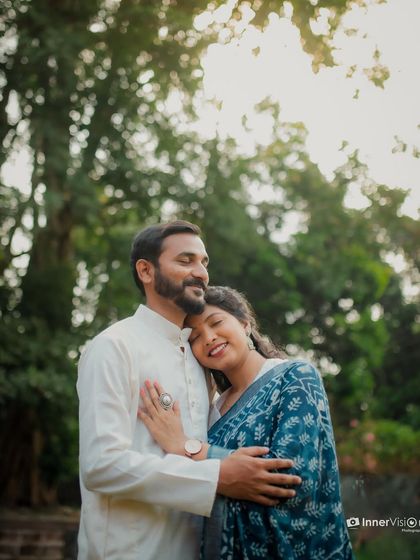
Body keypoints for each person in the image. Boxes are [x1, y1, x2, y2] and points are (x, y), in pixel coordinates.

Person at [76, 221, 302, 560]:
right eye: (185, 261)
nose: (200, 273)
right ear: (146, 271)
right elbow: (101, 466)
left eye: (204, 262)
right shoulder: (114, 347)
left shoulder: (200, 359)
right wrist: (217, 475)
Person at [139, 285, 355, 560]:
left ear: (244, 323)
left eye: (216, 323)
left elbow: (290, 481)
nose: (209, 337)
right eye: (194, 337)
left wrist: (187, 448)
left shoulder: (295, 376)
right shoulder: (211, 411)